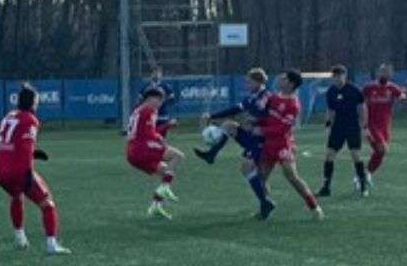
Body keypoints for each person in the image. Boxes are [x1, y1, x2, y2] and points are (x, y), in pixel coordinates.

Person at [233, 69, 323, 221]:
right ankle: (265, 208)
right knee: (260, 179)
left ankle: (314, 207)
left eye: (283, 78)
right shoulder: (273, 98)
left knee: (292, 176)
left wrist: (261, 130)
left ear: (290, 83)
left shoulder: (293, 104)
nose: (279, 80)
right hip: (268, 144)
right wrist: (254, 122)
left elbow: (283, 128)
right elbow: (266, 118)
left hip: (282, 145)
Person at [0, 85, 70, 255]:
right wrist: (28, 171)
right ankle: (52, 244)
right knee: (47, 204)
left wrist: (33, 153)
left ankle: (20, 237)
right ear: (33, 102)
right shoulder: (30, 119)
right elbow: (25, 148)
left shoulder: (9, 116)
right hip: (18, 169)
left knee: (16, 196)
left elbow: (10, 143)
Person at [194, 68, 276, 218]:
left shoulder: (265, 97)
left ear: (258, 82)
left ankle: (265, 203)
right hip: (251, 136)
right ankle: (211, 155)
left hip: (260, 140)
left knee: (249, 170)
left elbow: (261, 113)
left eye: (249, 82)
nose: (247, 84)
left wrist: (254, 120)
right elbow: (236, 109)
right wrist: (212, 116)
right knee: (228, 125)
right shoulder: (253, 96)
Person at [127, 88, 185, 219]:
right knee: (177, 155)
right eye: (159, 100)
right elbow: (149, 133)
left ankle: (156, 207)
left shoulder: (139, 110)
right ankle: (165, 187)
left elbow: (148, 130)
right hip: (142, 148)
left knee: (166, 172)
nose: (160, 103)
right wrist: (160, 140)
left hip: (132, 152)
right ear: (150, 98)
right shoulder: (149, 110)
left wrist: (167, 126)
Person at [317, 65, 368, 197]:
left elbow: (362, 107)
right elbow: (330, 110)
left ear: (345, 76)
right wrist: (328, 123)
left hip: (352, 126)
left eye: (340, 75)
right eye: (335, 76)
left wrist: (363, 125)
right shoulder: (331, 91)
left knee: (355, 155)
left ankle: (363, 185)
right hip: (338, 127)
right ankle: (326, 187)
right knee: (329, 155)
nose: (337, 78)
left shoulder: (354, 90)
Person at [362, 64, 407, 181]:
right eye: (383, 71)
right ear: (379, 73)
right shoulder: (369, 87)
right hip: (371, 125)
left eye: (387, 72)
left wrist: (404, 97)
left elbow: (402, 97)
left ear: (391, 74)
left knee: (380, 152)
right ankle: (365, 173)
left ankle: (365, 173)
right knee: (382, 149)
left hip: (385, 126)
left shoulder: (392, 88)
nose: (385, 74)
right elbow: (359, 100)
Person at [140, 67, 178, 138]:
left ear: (161, 75)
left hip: (162, 115)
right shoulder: (146, 86)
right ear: (151, 75)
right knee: (149, 136)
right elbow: (140, 100)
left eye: (158, 73)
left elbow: (172, 98)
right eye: (154, 73)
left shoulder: (165, 86)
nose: (156, 75)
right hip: (149, 115)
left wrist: (162, 101)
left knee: (161, 137)